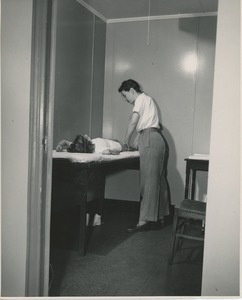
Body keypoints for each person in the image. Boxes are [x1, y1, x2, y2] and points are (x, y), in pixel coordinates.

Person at [118, 79, 170, 232]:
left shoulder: (140, 99)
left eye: (125, 95)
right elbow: (150, 125)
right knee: (159, 179)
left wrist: (126, 140)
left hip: (149, 139)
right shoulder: (149, 100)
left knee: (148, 181)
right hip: (157, 139)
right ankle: (160, 217)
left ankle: (144, 221)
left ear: (132, 91)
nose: (125, 99)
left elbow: (134, 122)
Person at [56, 134, 136, 155]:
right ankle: (135, 148)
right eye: (85, 137)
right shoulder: (98, 149)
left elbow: (65, 142)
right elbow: (117, 151)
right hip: (116, 145)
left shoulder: (76, 145)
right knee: (130, 148)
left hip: (107, 141)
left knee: (113, 140)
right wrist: (109, 151)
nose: (86, 135)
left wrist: (59, 145)